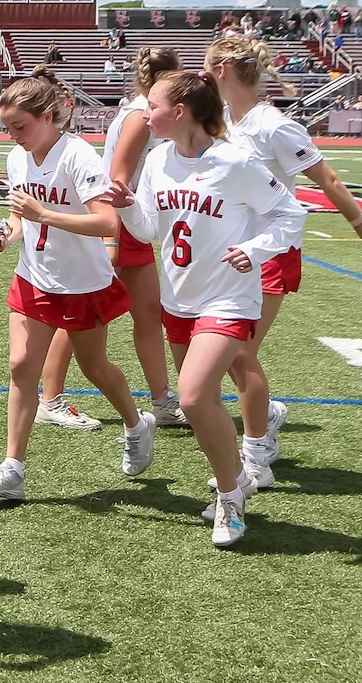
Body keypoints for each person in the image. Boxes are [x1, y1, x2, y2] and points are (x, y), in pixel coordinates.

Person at [111, 70, 306, 545]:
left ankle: (230, 496)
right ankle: (234, 482)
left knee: (194, 396)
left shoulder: (235, 162)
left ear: (179, 112)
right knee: (204, 405)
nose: (145, 113)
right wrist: (123, 204)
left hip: (229, 297)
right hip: (178, 298)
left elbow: (292, 214)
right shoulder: (158, 160)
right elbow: (147, 230)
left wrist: (256, 249)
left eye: (151, 105)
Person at [205, 37, 362, 484]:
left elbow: (327, 178)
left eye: (209, 67)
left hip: (271, 251)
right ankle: (264, 413)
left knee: (240, 351)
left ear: (225, 70)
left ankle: (257, 452)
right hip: (237, 251)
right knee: (230, 353)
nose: (204, 74)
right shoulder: (227, 120)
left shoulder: (274, 126)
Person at [0, 66, 158, 501]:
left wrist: (45, 215)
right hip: (33, 276)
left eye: (20, 126)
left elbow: (106, 222)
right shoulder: (18, 157)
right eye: (8, 128)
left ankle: (136, 424)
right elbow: (20, 219)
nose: (14, 135)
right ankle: (13, 468)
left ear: (48, 116)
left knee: (96, 370)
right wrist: (4, 233)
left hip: (81, 283)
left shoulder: (77, 155)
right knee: (21, 367)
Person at [35, 48, 188, 434]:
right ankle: (50, 399)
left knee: (147, 314)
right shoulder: (141, 115)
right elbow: (118, 174)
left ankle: (162, 399)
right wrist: (112, 239)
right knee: (80, 315)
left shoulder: (144, 110)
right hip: (119, 221)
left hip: (129, 220)